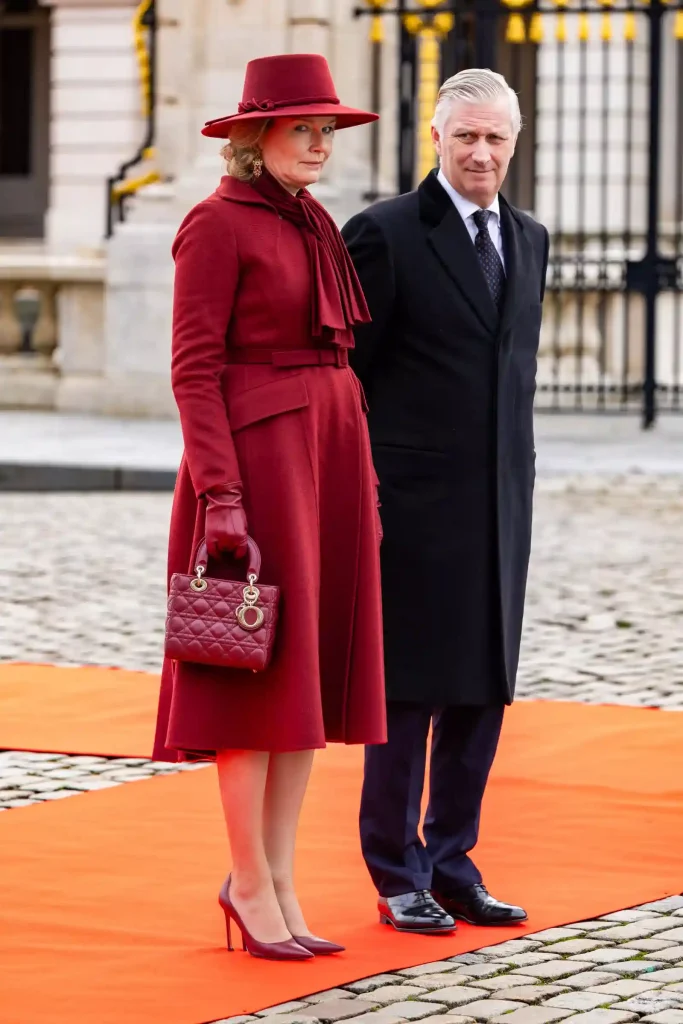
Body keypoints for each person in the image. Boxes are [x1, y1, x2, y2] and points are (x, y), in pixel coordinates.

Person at [152, 53, 386, 961]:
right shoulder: (214, 226)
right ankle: (247, 880)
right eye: (304, 127)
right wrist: (221, 498)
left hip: (324, 461)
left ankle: (280, 879)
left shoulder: (314, 220)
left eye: (328, 128)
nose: (322, 142)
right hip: (256, 472)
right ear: (255, 136)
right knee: (251, 679)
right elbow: (192, 370)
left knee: (305, 684)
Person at [342, 68, 549, 934]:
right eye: (464, 135)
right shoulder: (384, 233)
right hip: (409, 509)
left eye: (495, 137)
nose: (480, 152)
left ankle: (452, 859)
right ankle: (396, 872)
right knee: (408, 695)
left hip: (499, 503)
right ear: (435, 137)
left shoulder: (531, 237)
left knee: (480, 689)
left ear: (514, 141)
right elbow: (346, 375)